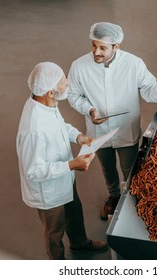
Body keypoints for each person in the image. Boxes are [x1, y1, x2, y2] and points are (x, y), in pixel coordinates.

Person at [67, 22, 157, 220]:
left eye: (103, 48)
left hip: (126, 130)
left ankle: (131, 198)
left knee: (129, 169)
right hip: (99, 132)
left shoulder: (133, 63)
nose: (96, 52)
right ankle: (114, 197)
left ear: (116, 46)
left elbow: (149, 86)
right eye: (93, 45)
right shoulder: (79, 66)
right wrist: (89, 109)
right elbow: (73, 95)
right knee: (107, 168)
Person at [16, 62, 108, 260]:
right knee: (54, 231)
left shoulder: (45, 104)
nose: (67, 84)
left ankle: (79, 244)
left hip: (63, 178)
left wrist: (78, 137)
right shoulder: (34, 130)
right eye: (63, 82)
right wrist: (71, 165)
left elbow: (60, 126)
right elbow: (33, 170)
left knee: (74, 212)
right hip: (48, 192)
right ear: (51, 91)